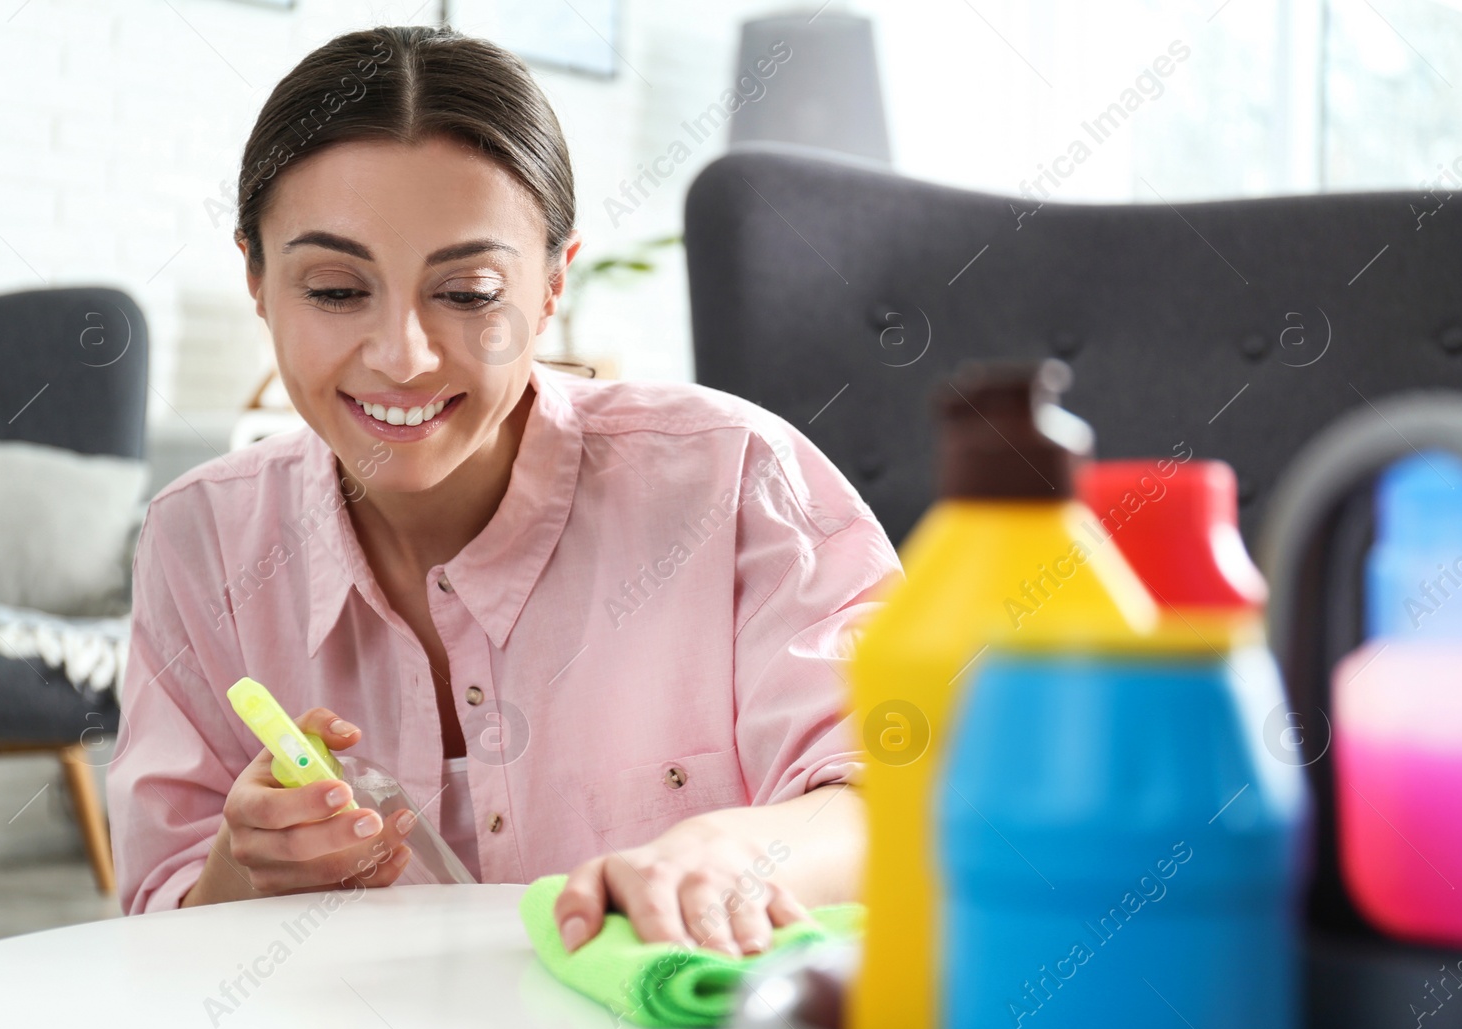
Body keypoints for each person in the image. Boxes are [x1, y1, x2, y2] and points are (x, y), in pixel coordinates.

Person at [106, 24, 901, 959]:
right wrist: (250, 867)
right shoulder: (201, 539)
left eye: (470, 293)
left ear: (555, 283)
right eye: (332, 289)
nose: (401, 357)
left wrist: (730, 853)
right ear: (256, 279)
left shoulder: (736, 482)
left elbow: (898, 798)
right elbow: (155, 933)